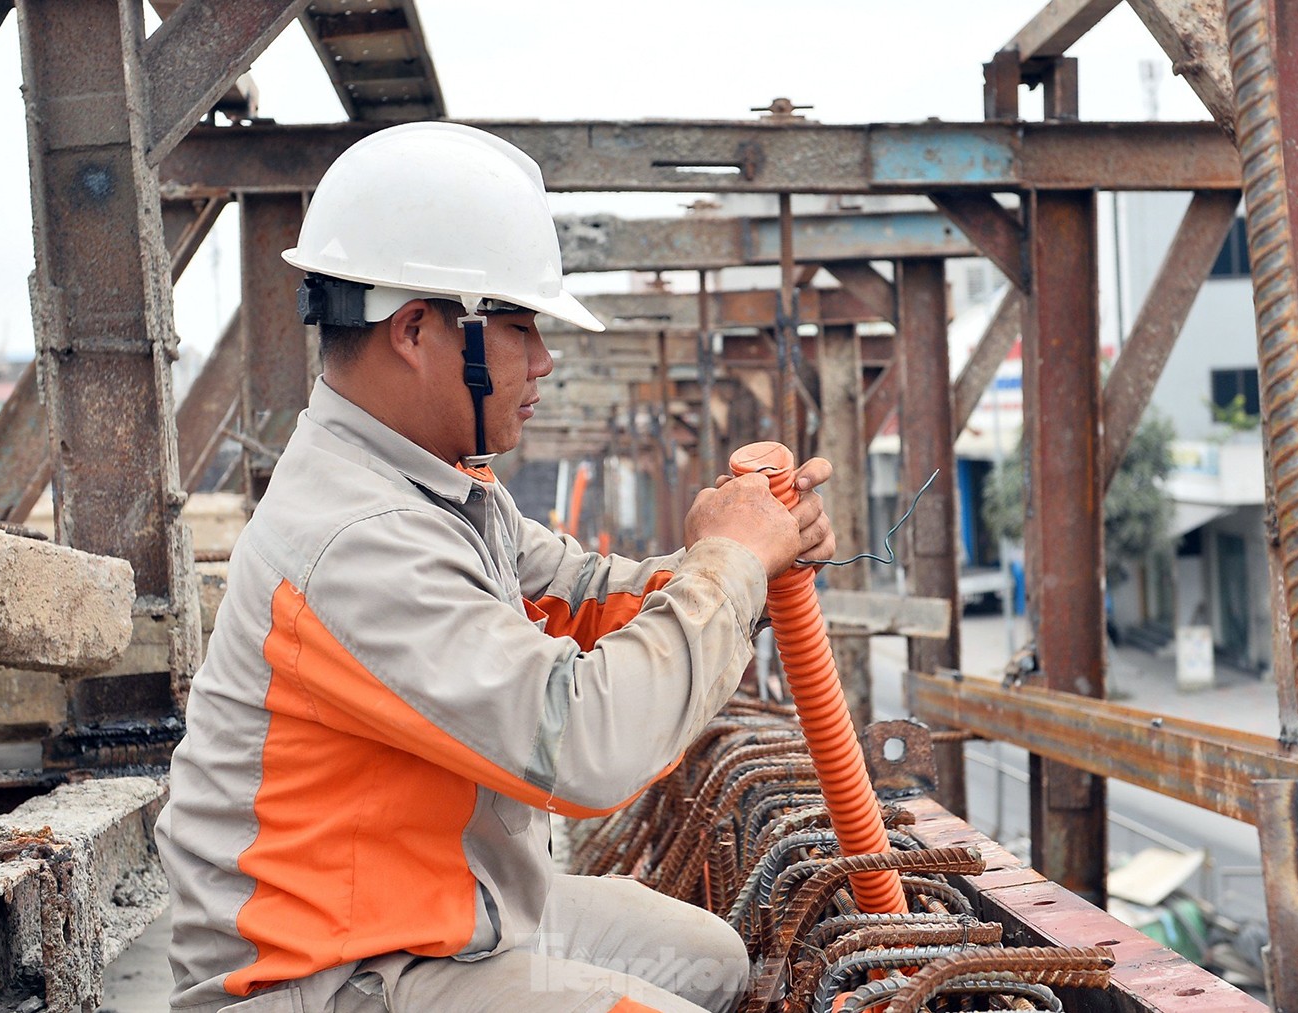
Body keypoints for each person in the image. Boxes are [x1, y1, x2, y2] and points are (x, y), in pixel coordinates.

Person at [155, 122, 836, 1013]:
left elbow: (585, 602)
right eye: (519, 326)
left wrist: (742, 561)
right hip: (320, 974)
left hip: (423, 911)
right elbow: (586, 748)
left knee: (710, 960)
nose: (544, 361)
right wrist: (732, 565)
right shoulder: (361, 538)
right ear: (413, 329)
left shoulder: (436, 488)